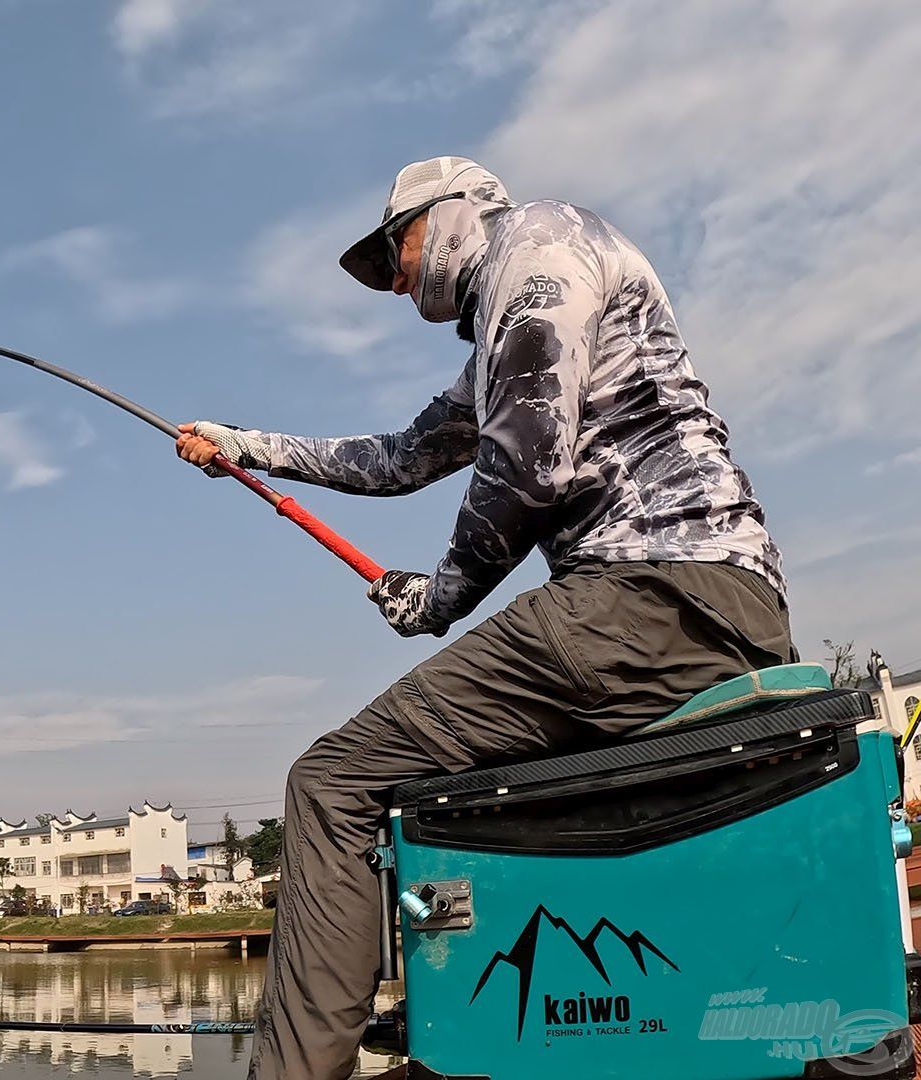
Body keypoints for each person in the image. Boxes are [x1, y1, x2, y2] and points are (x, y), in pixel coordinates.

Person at [176, 157, 791, 1080]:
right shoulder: (500, 326)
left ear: (455, 213)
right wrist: (244, 448)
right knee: (462, 806)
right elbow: (398, 457)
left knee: (332, 782)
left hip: (651, 599)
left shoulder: (539, 247)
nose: (393, 277)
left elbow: (530, 458)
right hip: (700, 606)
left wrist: (439, 599)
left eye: (395, 248)